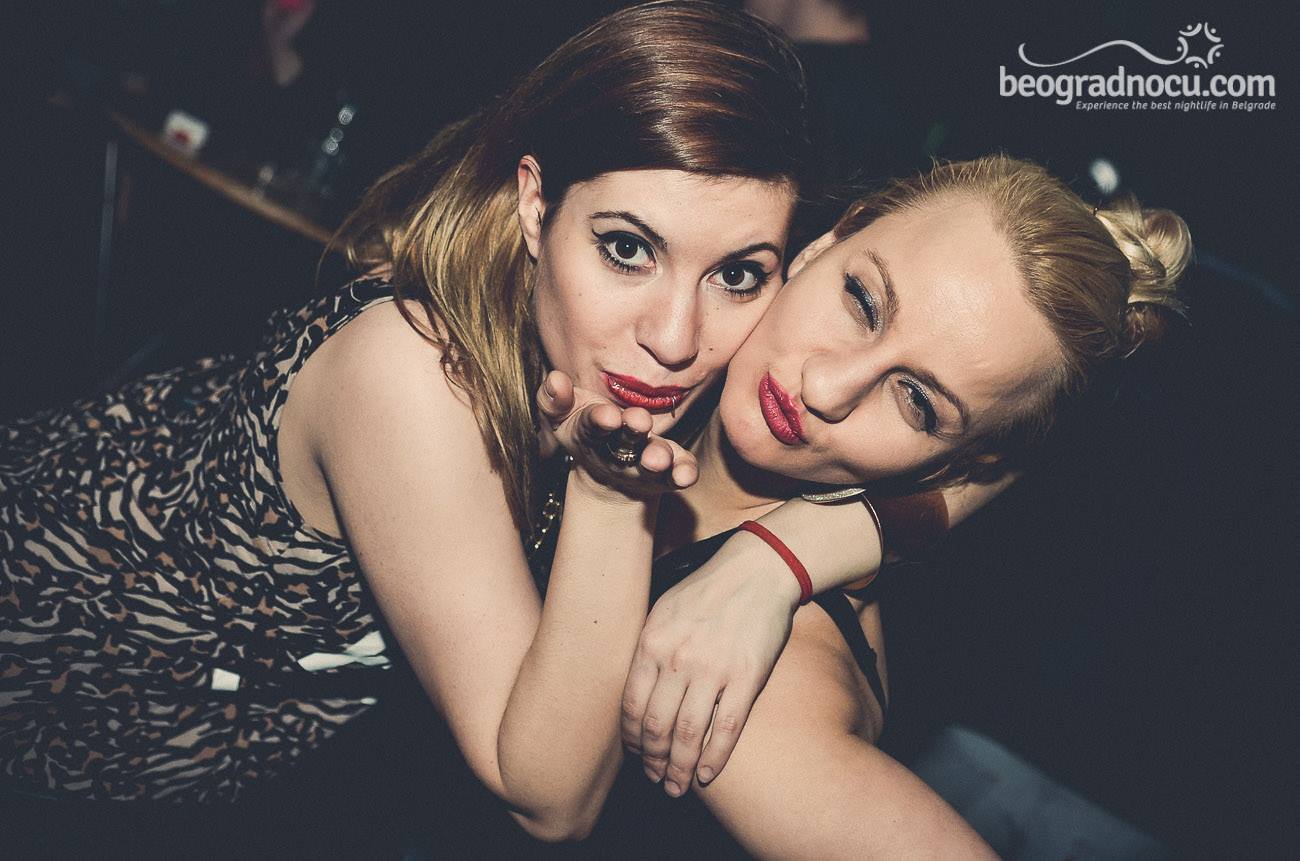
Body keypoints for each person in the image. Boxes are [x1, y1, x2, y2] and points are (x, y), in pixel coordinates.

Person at [0, 1, 862, 843]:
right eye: (627, 248)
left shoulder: (610, 366)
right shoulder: (411, 370)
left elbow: (942, 460)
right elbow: (549, 797)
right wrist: (610, 499)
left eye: (737, 275)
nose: (675, 338)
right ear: (536, 206)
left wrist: (788, 558)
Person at [528, 153, 1189, 857]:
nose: (827, 387)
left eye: (917, 402)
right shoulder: (669, 337)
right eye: (863, 303)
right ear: (823, 243)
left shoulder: (761, 683)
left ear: (959, 464)